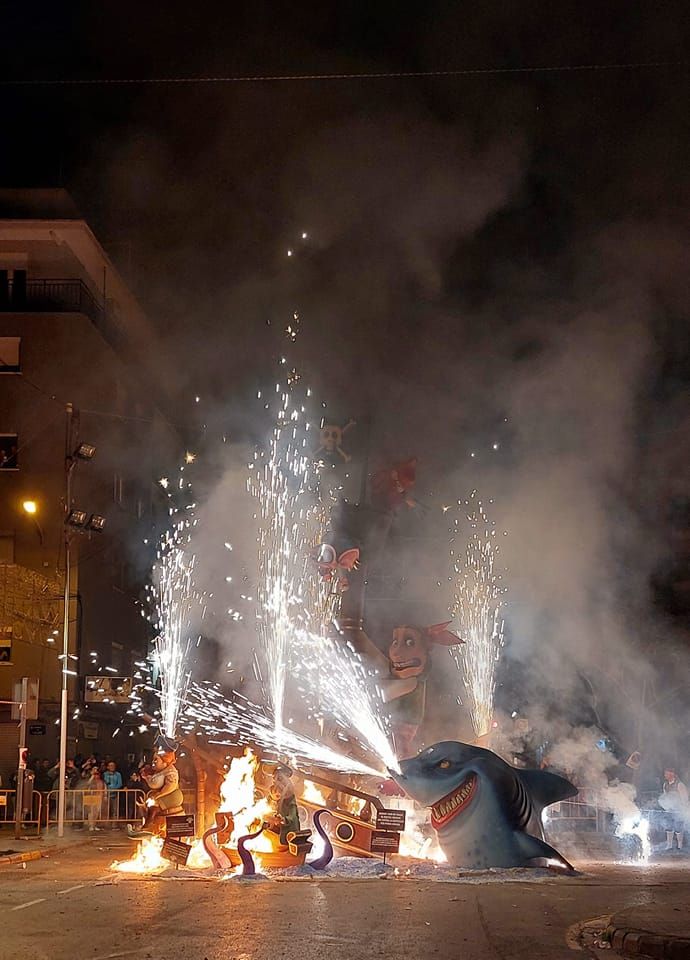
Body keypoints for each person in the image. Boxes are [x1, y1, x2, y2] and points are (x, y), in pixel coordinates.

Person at [266, 764, 301, 846]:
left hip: (287, 832)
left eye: (279, 777)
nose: (275, 779)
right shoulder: (272, 793)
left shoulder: (289, 799)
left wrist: (283, 820)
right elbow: (268, 805)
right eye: (274, 777)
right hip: (274, 828)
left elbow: (292, 816)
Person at [659, 767, 688, 851]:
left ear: (672, 774)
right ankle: (669, 845)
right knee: (669, 826)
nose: (665, 775)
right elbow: (665, 796)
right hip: (669, 809)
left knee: (678, 827)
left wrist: (683, 808)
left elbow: (684, 797)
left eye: (666, 773)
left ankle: (679, 846)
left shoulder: (679, 784)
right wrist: (665, 806)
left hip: (678, 809)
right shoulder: (665, 784)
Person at [103, 760, 123, 825]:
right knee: (106, 810)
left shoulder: (118, 774)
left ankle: (114, 824)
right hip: (106, 794)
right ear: (108, 767)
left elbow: (120, 784)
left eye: (113, 766)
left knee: (115, 809)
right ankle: (106, 824)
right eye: (110, 765)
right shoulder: (105, 774)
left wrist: (113, 789)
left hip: (115, 794)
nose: (112, 767)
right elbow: (104, 783)